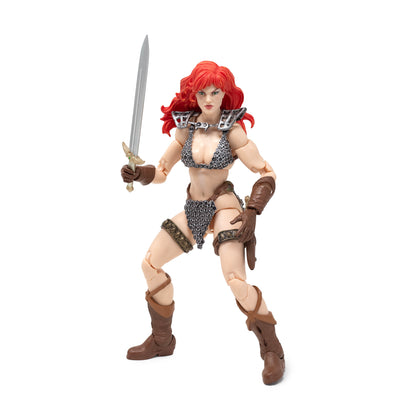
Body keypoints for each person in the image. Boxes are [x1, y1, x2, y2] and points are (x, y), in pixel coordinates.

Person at [121, 61, 285, 385]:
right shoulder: (187, 128)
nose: (208, 99)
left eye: (215, 92)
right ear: (193, 95)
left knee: (235, 280)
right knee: (150, 264)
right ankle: (162, 340)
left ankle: (272, 348)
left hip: (224, 207)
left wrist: (252, 210)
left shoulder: (232, 130)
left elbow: (267, 172)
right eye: (201, 93)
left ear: (225, 94)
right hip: (194, 207)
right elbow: (163, 171)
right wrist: (141, 174)